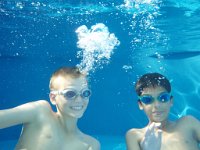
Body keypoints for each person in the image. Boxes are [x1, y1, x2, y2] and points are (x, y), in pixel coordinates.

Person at [0, 67, 100, 150]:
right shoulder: (39, 112)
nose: (79, 100)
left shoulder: (91, 145)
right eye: (70, 94)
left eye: (85, 93)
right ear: (53, 98)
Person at [126, 73, 200, 150]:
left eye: (163, 98)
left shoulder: (188, 123)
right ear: (140, 104)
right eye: (147, 99)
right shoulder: (135, 136)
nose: (157, 105)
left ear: (171, 101)